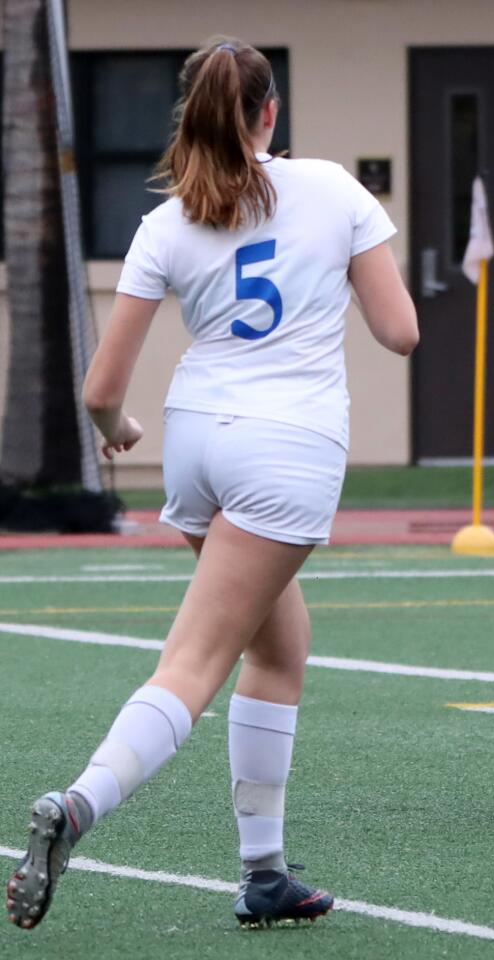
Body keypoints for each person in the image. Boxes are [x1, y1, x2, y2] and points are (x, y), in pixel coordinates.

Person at [6, 37, 417, 930]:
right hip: (288, 445)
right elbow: (402, 333)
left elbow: (101, 393)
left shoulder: (166, 220)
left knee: (278, 649)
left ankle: (264, 872)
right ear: (271, 112)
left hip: (196, 442)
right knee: (195, 663)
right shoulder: (333, 188)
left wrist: (119, 433)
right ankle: (79, 804)